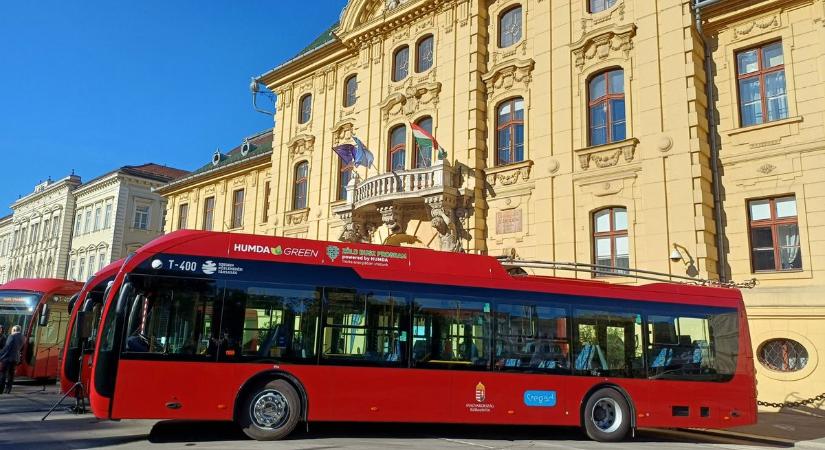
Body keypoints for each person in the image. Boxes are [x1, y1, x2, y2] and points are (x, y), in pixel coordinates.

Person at [0, 325, 24, 394]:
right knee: (11, 374)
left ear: (14, 330)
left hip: (7, 358)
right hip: (15, 358)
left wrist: (0, 355)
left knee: (2, 373)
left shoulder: (12, 336)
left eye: (12, 330)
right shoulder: (22, 337)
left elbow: (7, 348)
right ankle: (8, 389)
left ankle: (0, 389)